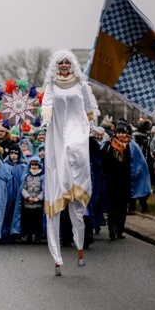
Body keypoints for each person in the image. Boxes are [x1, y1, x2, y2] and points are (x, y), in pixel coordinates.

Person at [40, 49, 99, 275]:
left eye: (67, 62)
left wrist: (92, 123)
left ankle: (80, 244)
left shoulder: (80, 84)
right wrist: (46, 120)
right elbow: (47, 103)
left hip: (77, 128)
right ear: (56, 65)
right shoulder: (52, 85)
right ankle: (57, 257)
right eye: (60, 62)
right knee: (61, 168)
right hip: (58, 130)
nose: (64, 65)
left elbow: (87, 105)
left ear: (71, 64)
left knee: (75, 152)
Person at [20, 157, 45, 244]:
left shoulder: (42, 177)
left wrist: (38, 198)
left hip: (38, 204)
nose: (34, 167)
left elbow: (44, 189)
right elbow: (23, 189)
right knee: (28, 221)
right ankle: (29, 236)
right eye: (32, 165)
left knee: (38, 221)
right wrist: (27, 197)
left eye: (36, 165)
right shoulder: (26, 176)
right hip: (28, 204)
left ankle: (38, 236)